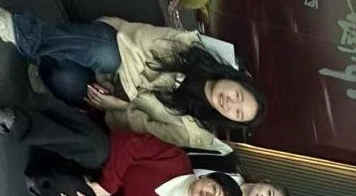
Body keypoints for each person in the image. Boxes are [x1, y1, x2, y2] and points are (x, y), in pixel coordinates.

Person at [0, 8, 265, 147]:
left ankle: (42, 59)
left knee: (63, 77)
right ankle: (13, 29)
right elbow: (138, 42)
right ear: (235, 80)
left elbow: (143, 125)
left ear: (230, 120)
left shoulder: (194, 132)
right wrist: (131, 89)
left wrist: (120, 105)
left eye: (237, 112)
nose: (230, 102)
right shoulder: (194, 49)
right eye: (238, 95)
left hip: (112, 97)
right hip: (118, 46)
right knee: (105, 54)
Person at [0, 101, 249, 196]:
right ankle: (18, 123)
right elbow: (128, 144)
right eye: (215, 190)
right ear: (208, 178)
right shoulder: (177, 160)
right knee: (96, 148)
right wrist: (109, 183)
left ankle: (44, 173)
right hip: (106, 161)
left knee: (74, 194)